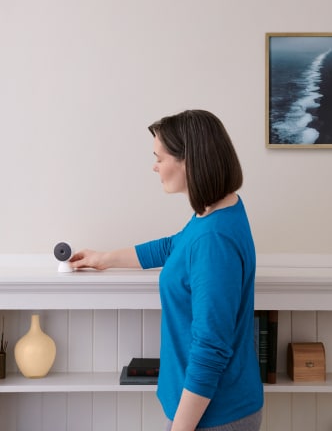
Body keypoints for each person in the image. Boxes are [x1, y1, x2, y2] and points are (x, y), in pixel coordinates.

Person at [69, 109, 263, 431]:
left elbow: (211, 348)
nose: (155, 166)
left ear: (189, 160)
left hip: (214, 416)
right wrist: (105, 258)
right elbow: (175, 245)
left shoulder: (213, 240)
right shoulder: (216, 213)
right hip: (207, 411)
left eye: (159, 157)